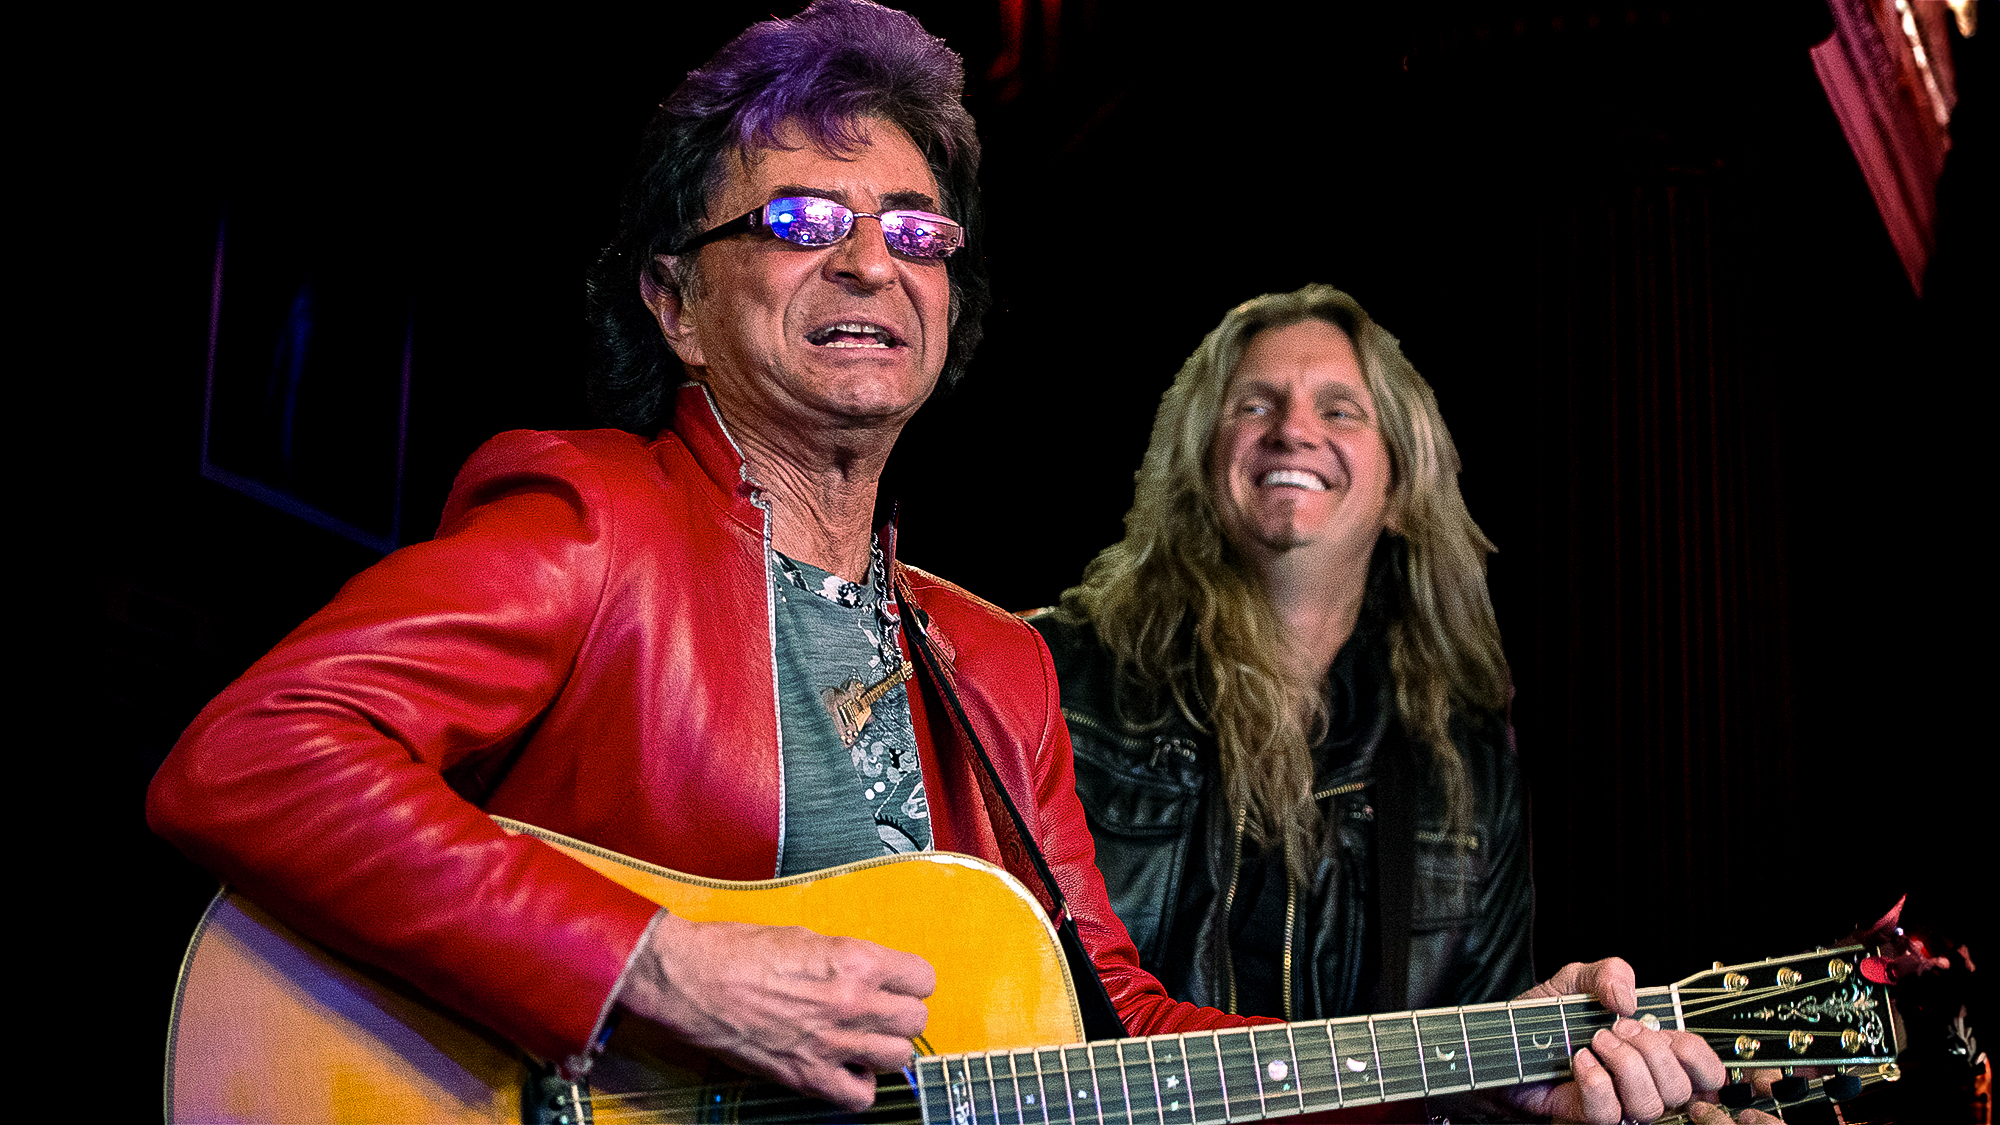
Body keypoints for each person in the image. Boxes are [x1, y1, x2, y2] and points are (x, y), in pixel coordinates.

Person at [148, 6, 1757, 1121]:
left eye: (916, 230)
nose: (870, 259)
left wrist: (1478, 1065)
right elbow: (250, 759)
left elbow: (1125, 1031)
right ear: (672, 302)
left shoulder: (992, 659)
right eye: (796, 221)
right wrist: (658, 967)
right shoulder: (596, 525)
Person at [1032, 284, 1771, 1123]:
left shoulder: (1459, 752)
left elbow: (1485, 1092)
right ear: (1198, 457)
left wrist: (1557, 1097)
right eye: (1255, 403)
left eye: (1341, 409)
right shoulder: (1048, 675)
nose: (1294, 429)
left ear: (1400, 479)